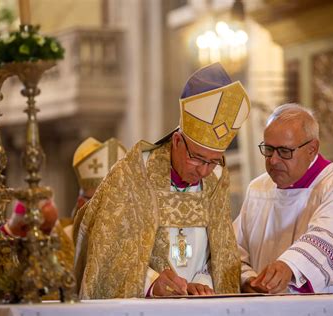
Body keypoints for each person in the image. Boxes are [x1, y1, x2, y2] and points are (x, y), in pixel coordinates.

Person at [74, 62, 250, 299]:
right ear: (177, 141)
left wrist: (202, 280)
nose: (205, 171)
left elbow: (221, 251)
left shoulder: (217, 178)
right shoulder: (134, 172)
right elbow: (108, 252)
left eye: (214, 161)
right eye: (197, 158)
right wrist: (152, 283)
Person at [234, 103, 333, 294]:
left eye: (284, 151)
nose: (273, 160)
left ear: (312, 149)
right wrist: (248, 279)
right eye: (268, 149)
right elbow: (234, 250)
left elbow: (330, 240)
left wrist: (289, 266)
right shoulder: (257, 189)